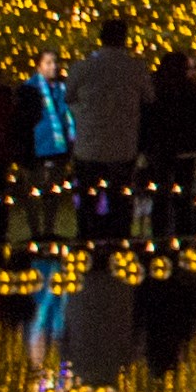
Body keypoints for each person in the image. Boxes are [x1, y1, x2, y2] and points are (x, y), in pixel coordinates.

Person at [66, 15, 148, 241]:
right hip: (122, 146)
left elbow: (68, 96)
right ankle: (118, 242)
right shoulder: (135, 68)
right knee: (120, 201)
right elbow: (149, 98)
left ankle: (87, 239)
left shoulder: (83, 67)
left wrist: (83, 113)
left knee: (87, 201)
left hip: (89, 146)